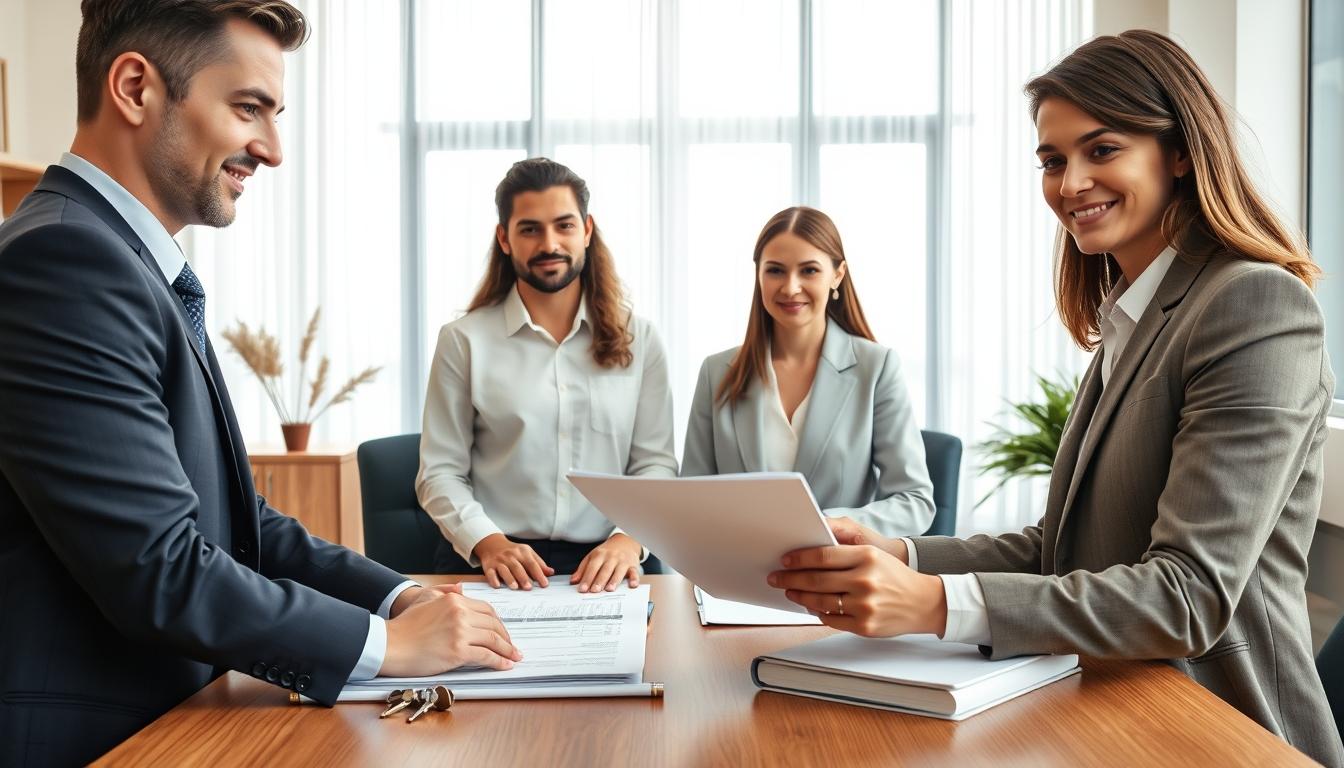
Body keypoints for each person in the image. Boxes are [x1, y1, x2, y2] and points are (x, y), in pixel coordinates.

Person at [768, 30, 1344, 766]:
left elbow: (1188, 596)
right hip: (1109, 703)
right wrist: (900, 551)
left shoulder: (1254, 305)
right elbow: (1060, 548)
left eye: (1101, 150)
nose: (1070, 183)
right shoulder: (1135, 318)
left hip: (1221, 725)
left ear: (1178, 151)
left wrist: (938, 605)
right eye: (1052, 160)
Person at [0, 3, 517, 765]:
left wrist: (398, 596)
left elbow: (240, 525)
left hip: (177, 723)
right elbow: (160, 567)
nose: (272, 150)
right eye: (250, 109)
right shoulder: (65, 264)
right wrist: (387, 647)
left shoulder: (122, 261)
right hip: (101, 742)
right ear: (136, 88)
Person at [416, 157, 678, 592]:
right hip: (494, 562)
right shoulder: (463, 340)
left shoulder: (641, 339)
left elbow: (656, 465)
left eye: (564, 225)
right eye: (530, 229)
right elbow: (439, 471)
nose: (549, 243)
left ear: (587, 230)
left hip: (611, 562)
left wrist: (628, 541)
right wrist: (488, 542)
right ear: (504, 238)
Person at [682, 206, 934, 537]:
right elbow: (690, 499)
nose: (790, 287)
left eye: (809, 270)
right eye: (775, 271)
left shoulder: (876, 368)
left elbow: (914, 501)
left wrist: (830, 525)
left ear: (838, 275)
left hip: (837, 575)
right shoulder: (717, 372)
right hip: (737, 577)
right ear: (758, 275)